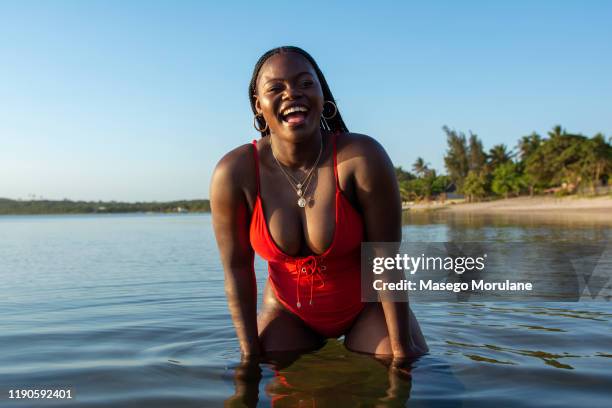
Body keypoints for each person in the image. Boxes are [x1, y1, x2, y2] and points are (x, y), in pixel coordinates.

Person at [210, 46, 428, 363]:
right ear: (259, 106)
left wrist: (403, 354)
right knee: (267, 375)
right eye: (276, 88)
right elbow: (237, 271)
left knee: (416, 379)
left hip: (368, 308)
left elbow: (385, 261)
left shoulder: (361, 158)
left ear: (322, 95)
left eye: (305, 83)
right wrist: (248, 359)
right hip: (288, 313)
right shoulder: (236, 173)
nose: (293, 94)